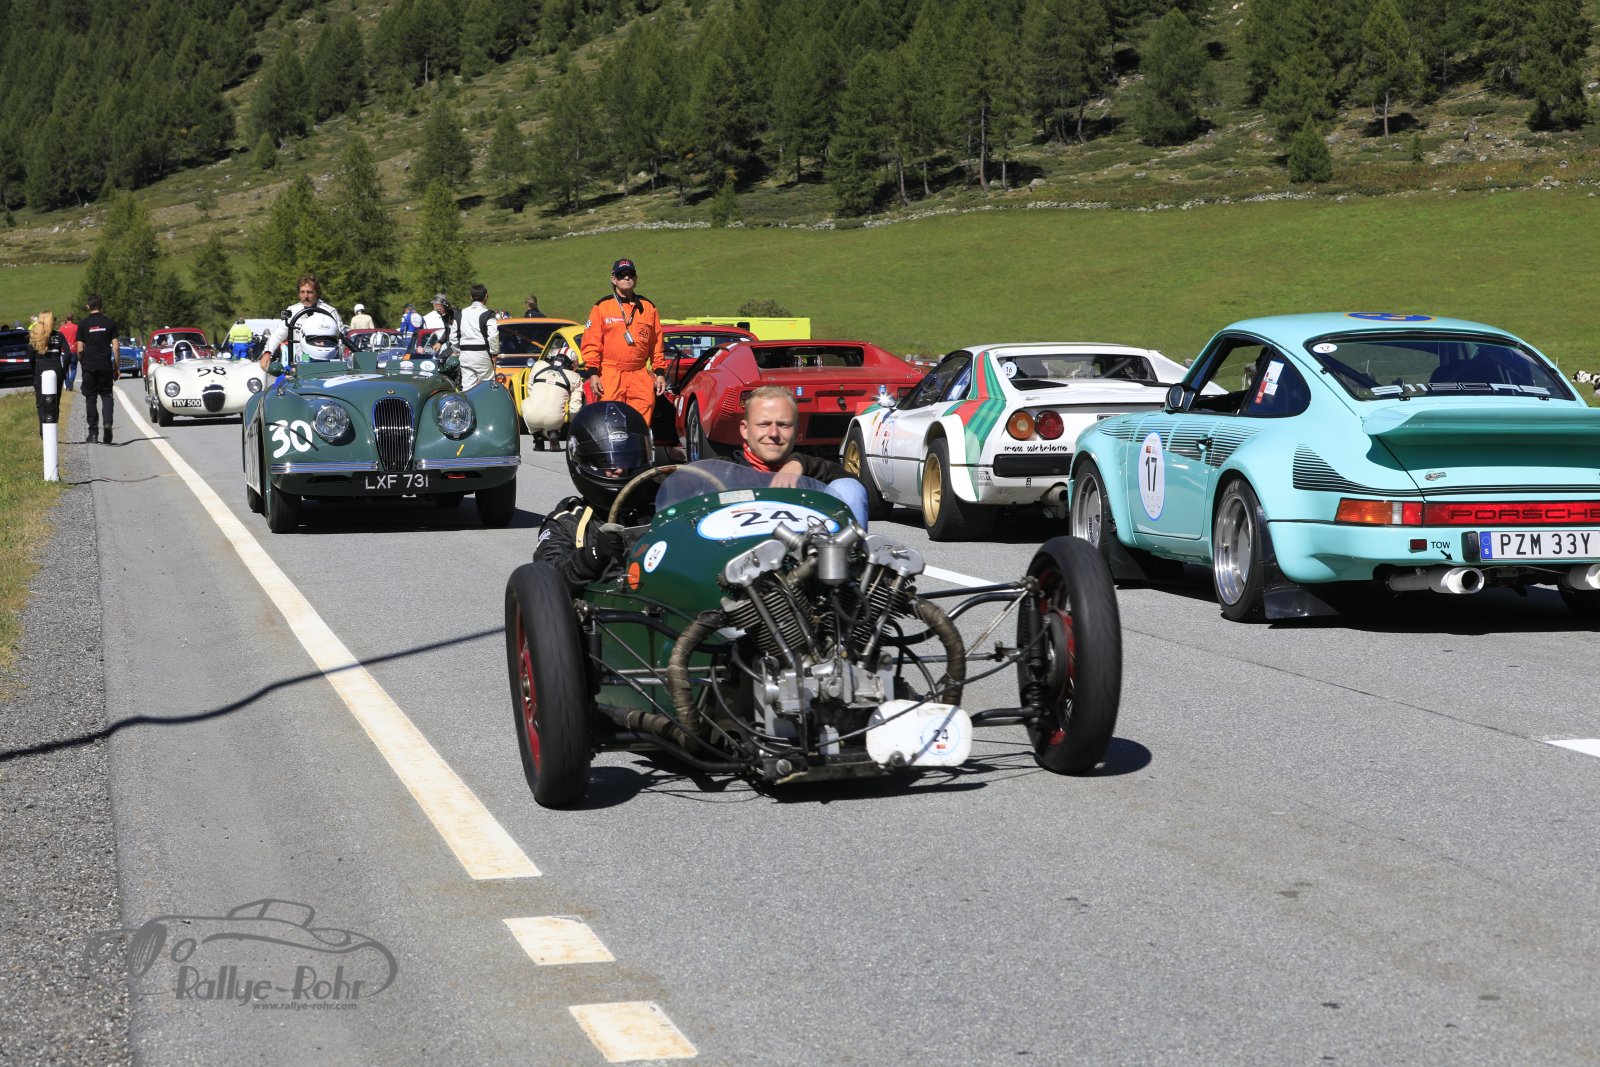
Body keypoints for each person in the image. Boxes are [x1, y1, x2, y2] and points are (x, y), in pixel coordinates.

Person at [533, 402, 655, 594]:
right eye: (606, 460)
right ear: (583, 459)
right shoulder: (566, 523)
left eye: (627, 457)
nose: (619, 469)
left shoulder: (662, 504)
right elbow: (546, 578)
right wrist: (593, 556)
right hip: (609, 608)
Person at [732, 385, 870, 527]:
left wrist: (801, 463)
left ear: (797, 430)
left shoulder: (809, 471)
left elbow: (859, 490)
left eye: (783, 425)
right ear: (745, 429)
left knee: (848, 487)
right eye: (763, 424)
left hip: (810, 541)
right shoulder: (725, 473)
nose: (773, 433)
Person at [581, 258, 665, 426]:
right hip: (610, 373)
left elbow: (657, 344)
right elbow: (591, 343)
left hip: (640, 374)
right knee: (611, 422)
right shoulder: (602, 307)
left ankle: (640, 443)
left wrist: (660, 373)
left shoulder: (648, 308)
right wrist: (593, 373)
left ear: (636, 278)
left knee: (641, 422)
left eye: (630, 274)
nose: (626, 278)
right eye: (621, 275)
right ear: (614, 279)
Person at [259, 274, 344, 372]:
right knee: (280, 380)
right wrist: (268, 352)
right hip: (302, 364)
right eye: (302, 292)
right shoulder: (293, 311)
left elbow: (342, 339)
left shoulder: (330, 312)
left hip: (328, 364)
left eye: (309, 292)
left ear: (317, 293)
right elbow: (278, 335)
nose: (306, 296)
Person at [77, 295, 120, 444]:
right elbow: (116, 347)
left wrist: (83, 363)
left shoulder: (83, 324)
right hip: (105, 365)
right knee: (107, 395)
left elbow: (80, 349)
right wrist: (116, 368)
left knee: (91, 398)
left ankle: (93, 433)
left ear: (88, 306)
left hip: (89, 366)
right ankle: (107, 423)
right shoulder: (110, 323)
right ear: (101, 306)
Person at [450, 283, 499, 390]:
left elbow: (453, 337)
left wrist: (459, 352)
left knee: (468, 387)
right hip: (482, 353)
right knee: (487, 386)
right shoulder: (488, 314)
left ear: (471, 297)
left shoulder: (460, 314)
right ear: (486, 296)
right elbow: (493, 335)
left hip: (465, 354)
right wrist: (494, 353)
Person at [29, 310, 70, 434]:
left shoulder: (35, 335)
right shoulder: (59, 335)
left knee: (41, 402)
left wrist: (35, 370)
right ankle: (52, 430)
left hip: (40, 370)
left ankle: (43, 430)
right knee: (55, 402)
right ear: (52, 321)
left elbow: (31, 357)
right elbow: (68, 354)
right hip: (56, 371)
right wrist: (63, 371)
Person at [59, 313, 79, 391]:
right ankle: (71, 382)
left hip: (64, 351)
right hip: (74, 350)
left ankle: (67, 385)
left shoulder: (62, 328)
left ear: (66, 318)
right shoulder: (76, 327)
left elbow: (59, 340)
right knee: (73, 368)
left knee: (66, 368)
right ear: (72, 318)